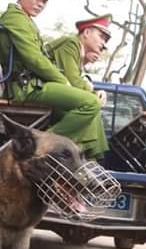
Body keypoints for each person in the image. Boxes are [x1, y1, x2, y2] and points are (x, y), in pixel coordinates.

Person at [0, 0, 108, 159]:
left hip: (33, 84)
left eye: (45, 1)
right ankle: (43, 147)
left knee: (85, 111)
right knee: (90, 103)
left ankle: (90, 160)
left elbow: (38, 58)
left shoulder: (25, 19)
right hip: (26, 88)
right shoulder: (14, 17)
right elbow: (34, 59)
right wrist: (63, 81)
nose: (40, 4)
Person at [46, 14, 113, 156]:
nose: (102, 43)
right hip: (44, 94)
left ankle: (90, 159)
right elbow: (73, 80)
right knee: (90, 106)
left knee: (92, 107)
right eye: (101, 36)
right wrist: (94, 94)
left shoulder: (77, 51)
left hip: (53, 96)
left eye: (105, 40)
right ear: (87, 32)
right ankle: (89, 158)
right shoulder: (71, 44)